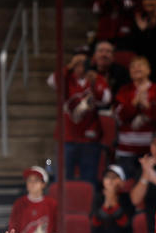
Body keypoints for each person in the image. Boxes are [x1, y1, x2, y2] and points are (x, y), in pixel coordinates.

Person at [48, 49, 112, 187]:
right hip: (67, 137)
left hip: (89, 137)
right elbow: (52, 81)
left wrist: (94, 83)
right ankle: (63, 207)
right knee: (63, 178)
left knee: (88, 180)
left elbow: (106, 99)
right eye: (77, 63)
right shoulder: (66, 78)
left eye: (83, 62)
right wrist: (69, 67)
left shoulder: (96, 79)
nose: (80, 66)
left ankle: (88, 207)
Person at [114, 56, 156, 176]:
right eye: (133, 66)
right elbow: (118, 117)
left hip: (152, 151)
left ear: (149, 70)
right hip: (127, 150)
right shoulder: (124, 90)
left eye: (140, 65)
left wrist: (148, 107)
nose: (136, 68)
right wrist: (133, 104)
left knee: (150, 186)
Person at [8, 166, 58, 233]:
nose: (32, 183)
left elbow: (56, 230)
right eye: (29, 180)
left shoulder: (52, 204)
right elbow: (13, 229)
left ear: (43, 184)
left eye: (36, 181)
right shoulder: (20, 204)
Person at [91, 164, 135, 233]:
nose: (110, 180)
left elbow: (124, 223)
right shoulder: (98, 198)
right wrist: (107, 202)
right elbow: (95, 222)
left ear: (121, 181)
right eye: (107, 177)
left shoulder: (127, 198)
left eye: (114, 177)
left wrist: (113, 202)